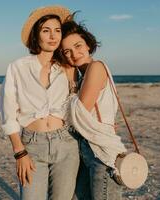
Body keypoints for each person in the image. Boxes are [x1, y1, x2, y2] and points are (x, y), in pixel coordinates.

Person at [0, 6, 79, 200]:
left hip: (66, 144)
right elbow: (7, 111)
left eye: (57, 30)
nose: (53, 36)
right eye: (46, 30)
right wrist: (19, 152)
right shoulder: (18, 67)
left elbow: (77, 105)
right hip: (32, 145)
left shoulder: (67, 67)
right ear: (36, 35)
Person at [59, 16, 127, 200]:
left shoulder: (96, 67)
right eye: (67, 51)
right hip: (88, 151)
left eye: (78, 45)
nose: (74, 53)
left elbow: (79, 111)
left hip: (103, 155)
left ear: (88, 44)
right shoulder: (82, 77)